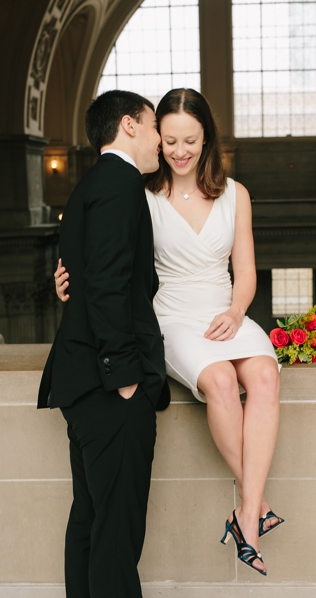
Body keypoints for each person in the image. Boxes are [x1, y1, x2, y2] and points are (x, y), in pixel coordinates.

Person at [55, 88, 282, 576]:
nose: (177, 150)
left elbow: (246, 270)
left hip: (227, 311)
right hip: (172, 316)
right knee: (221, 380)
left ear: (208, 140)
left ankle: (248, 510)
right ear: (150, 133)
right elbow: (108, 259)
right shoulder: (137, 191)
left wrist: (238, 310)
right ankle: (255, 506)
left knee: (264, 376)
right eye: (169, 138)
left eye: (190, 141)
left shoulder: (235, 193)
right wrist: (67, 278)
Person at [38, 90, 169, 597]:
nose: (159, 139)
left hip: (83, 380)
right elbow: (111, 284)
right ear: (130, 125)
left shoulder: (91, 184)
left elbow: (87, 276)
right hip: (108, 382)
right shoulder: (120, 183)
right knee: (115, 535)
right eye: (155, 125)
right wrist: (126, 378)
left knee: (90, 524)